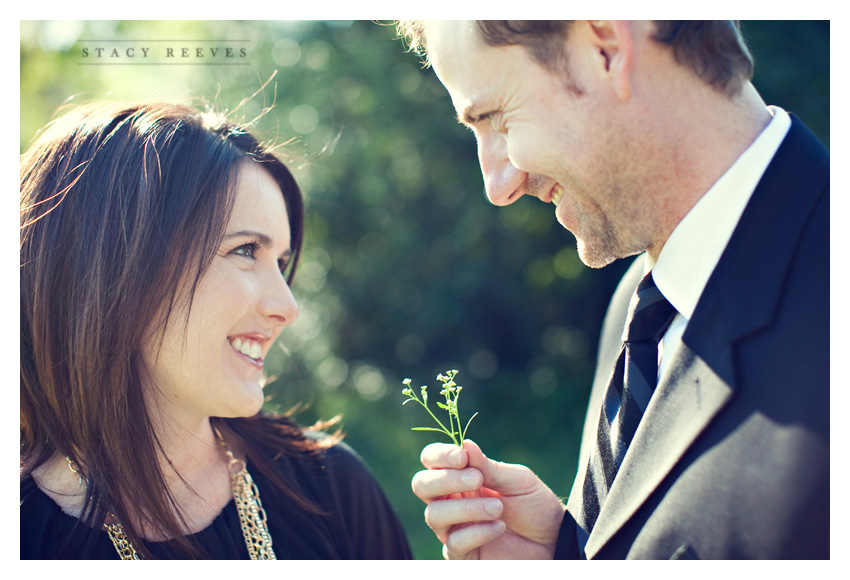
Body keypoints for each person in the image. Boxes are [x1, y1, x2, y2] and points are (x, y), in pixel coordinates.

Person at [396, 20, 828, 559]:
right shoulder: (638, 308)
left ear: (605, 46)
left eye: (495, 118)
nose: (498, 185)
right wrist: (563, 555)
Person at [20, 101, 412, 560]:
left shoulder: (333, 488)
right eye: (246, 249)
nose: (288, 306)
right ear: (109, 269)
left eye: (282, 263)